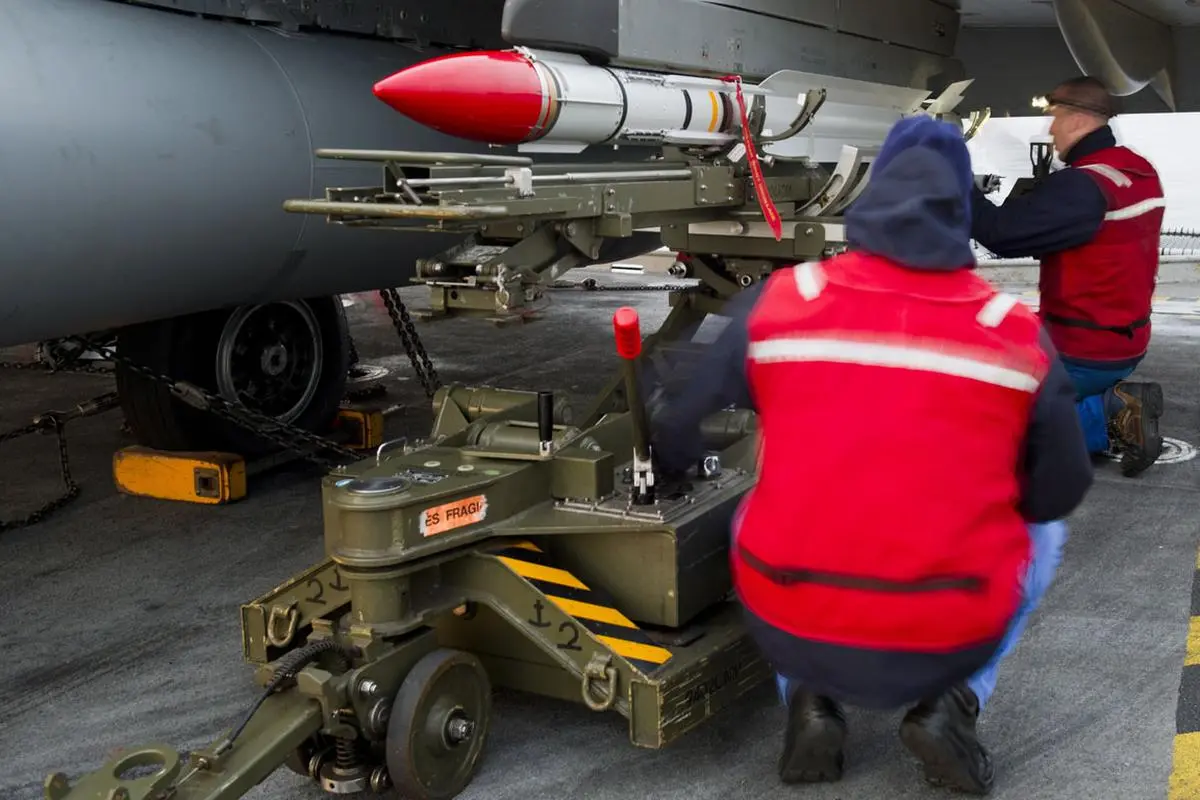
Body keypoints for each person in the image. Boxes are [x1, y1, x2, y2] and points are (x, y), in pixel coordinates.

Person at [647, 114, 1094, 794]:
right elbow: (1058, 490)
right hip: (948, 620)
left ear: (872, 194)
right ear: (961, 208)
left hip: (794, 614)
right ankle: (953, 700)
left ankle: (809, 698)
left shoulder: (783, 302)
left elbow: (677, 427)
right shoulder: (1013, 334)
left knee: (751, 505)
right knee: (1047, 535)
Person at [971, 75, 1166, 477]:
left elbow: (1001, 236)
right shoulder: (1137, 170)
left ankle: (1112, 408)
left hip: (1081, 351)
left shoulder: (1083, 186)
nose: (1051, 128)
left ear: (1079, 120)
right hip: (1127, 339)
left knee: (987, 424)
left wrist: (957, 185)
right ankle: (1100, 409)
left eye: (1055, 117)